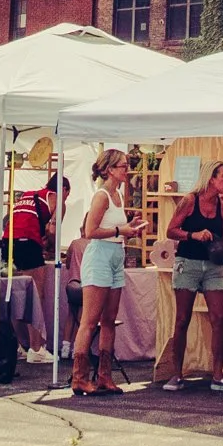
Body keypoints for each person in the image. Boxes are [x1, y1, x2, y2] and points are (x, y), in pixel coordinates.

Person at [154, 161, 223, 393]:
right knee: (182, 319)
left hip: (213, 267)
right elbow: (171, 231)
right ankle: (176, 374)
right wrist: (193, 234)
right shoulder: (190, 201)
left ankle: (218, 376)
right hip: (187, 263)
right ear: (211, 178)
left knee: (218, 318)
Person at [71, 150, 139, 396]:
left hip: (114, 255)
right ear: (110, 169)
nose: (126, 170)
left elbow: (113, 228)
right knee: (90, 320)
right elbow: (90, 231)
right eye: (123, 166)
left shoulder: (118, 195)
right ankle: (79, 377)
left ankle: (104, 376)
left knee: (109, 319)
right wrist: (121, 230)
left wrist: (127, 228)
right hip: (100, 255)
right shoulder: (101, 196)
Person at [10, 174, 65, 365]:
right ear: (64, 190)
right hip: (27, 242)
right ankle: (36, 349)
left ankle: (20, 345)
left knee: (17, 294)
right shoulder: (58, 199)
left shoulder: (29, 194)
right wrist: (51, 247)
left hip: (10, 241)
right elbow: (52, 231)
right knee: (35, 295)